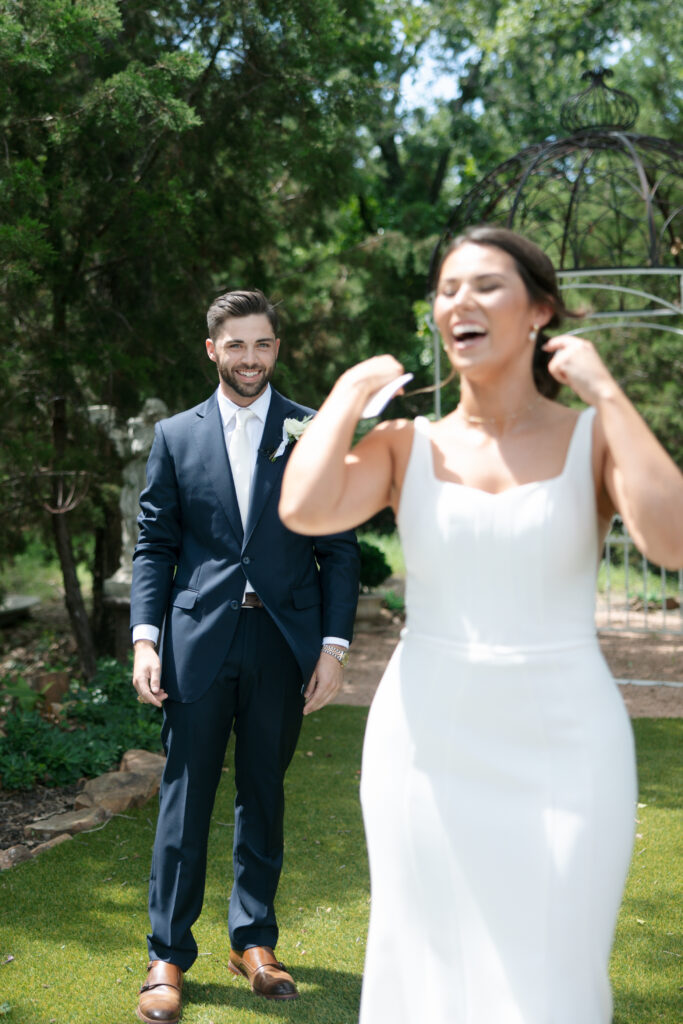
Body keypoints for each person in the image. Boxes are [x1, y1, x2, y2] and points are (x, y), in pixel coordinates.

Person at [279, 225, 683, 1024]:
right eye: (445, 288)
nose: (458, 301)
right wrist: (348, 395)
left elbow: (671, 542)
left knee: (555, 976)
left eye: (485, 285)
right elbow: (304, 505)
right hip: (425, 743)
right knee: (425, 964)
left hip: (568, 743)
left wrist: (606, 393)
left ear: (539, 311)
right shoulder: (403, 444)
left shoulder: (590, 439)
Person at [130, 288, 360, 1024]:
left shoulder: (312, 429)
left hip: (282, 644)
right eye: (236, 345)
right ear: (212, 350)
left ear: (277, 349)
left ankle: (253, 941)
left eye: (262, 344)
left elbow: (339, 547)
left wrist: (332, 645)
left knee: (263, 793)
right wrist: (145, 638)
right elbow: (155, 546)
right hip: (197, 641)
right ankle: (167, 952)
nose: (250, 358)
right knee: (184, 801)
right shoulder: (174, 435)